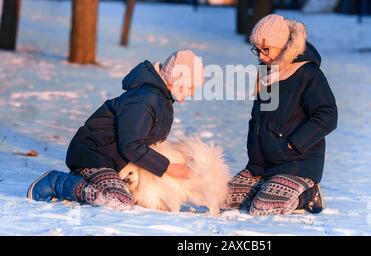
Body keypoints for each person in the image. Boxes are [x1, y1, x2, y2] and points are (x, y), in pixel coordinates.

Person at [27, 50, 204, 210]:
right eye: (189, 86)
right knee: (119, 199)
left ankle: (87, 182)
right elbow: (131, 145)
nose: (192, 92)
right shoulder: (145, 100)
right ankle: (55, 182)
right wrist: (167, 167)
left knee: (136, 197)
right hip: (93, 156)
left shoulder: (162, 101)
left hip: (114, 162)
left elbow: (151, 143)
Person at [225, 14, 338, 216]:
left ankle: (308, 194)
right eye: (257, 50)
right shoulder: (266, 72)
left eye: (265, 49)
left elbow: (327, 116)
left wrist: (293, 143)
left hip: (296, 162)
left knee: (263, 209)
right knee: (224, 200)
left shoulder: (308, 74)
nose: (260, 56)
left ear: (284, 46)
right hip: (262, 164)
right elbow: (260, 117)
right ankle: (267, 186)